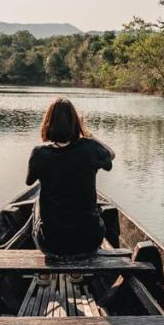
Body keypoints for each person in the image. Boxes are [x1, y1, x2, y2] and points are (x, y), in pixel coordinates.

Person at [25, 97, 115, 259]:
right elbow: (111, 155)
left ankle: (43, 274)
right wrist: (87, 134)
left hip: (51, 246)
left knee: (37, 201)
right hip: (89, 243)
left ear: (48, 123)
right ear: (76, 124)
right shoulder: (90, 149)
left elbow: (29, 181)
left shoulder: (39, 153)